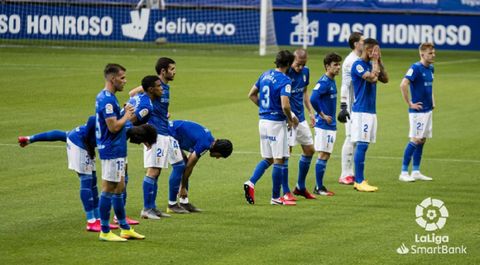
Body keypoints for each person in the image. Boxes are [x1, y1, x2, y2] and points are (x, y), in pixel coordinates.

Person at [130, 58, 186, 219]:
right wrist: (147, 115)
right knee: (152, 171)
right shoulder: (153, 85)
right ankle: (146, 209)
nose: (174, 71)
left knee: (158, 171)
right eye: (172, 69)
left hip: (164, 132)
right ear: (163, 71)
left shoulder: (163, 87)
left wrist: (162, 114)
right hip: (155, 134)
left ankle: (152, 207)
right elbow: (133, 94)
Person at [96, 63, 144, 241]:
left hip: (118, 149)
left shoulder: (110, 97)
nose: (125, 81)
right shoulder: (106, 99)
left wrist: (124, 112)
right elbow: (114, 126)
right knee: (108, 188)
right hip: (111, 150)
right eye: (122, 78)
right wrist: (127, 116)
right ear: (112, 78)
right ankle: (105, 231)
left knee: (120, 187)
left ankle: (124, 227)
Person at [243, 50, 297, 206]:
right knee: (279, 160)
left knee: (268, 158)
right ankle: (275, 197)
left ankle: (251, 182)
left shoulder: (265, 74)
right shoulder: (285, 80)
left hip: (263, 122)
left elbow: (251, 94)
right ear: (288, 64)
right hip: (276, 124)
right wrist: (290, 119)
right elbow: (285, 104)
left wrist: (264, 108)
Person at [167, 120, 233, 213]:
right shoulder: (205, 144)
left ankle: (184, 202)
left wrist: (183, 186)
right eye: (219, 155)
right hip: (168, 133)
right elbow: (190, 166)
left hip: (173, 134)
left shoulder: (209, 140)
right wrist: (182, 187)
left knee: (184, 166)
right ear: (218, 150)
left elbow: (189, 163)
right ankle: (172, 204)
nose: (217, 158)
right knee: (180, 167)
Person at [350, 38, 389, 192]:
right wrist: (374, 61)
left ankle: (360, 178)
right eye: (374, 51)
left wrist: (379, 61)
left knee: (365, 145)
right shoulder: (358, 65)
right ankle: (358, 181)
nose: (376, 54)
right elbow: (373, 78)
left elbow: (385, 79)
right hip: (361, 111)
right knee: (362, 144)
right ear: (368, 50)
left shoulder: (372, 63)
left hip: (370, 111)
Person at [398, 43, 435, 182]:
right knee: (415, 139)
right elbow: (403, 84)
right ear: (422, 54)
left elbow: (430, 87)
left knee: (422, 140)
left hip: (428, 110)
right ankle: (403, 172)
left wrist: (433, 101)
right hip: (417, 112)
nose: (433, 55)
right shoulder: (415, 68)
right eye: (430, 53)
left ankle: (416, 171)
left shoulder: (431, 68)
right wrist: (409, 103)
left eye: (433, 52)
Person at [283, 48, 317, 201]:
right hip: (288, 119)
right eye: (298, 64)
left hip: (301, 119)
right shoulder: (285, 73)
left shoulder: (306, 72)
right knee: (285, 155)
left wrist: (310, 111)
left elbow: (304, 92)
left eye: (304, 64)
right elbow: (281, 98)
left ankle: (300, 187)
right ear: (292, 61)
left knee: (309, 150)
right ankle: (285, 191)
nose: (301, 67)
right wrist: (289, 117)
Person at [309, 52, 342, 196]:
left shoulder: (331, 80)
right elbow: (313, 98)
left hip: (330, 125)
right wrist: (322, 115)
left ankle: (319, 186)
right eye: (335, 65)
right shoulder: (324, 82)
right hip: (324, 125)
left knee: (326, 154)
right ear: (327, 67)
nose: (338, 67)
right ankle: (318, 187)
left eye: (339, 64)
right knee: (323, 154)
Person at [337, 32, 364, 185]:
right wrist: (343, 106)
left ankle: (351, 172)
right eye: (362, 41)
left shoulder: (359, 59)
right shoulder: (350, 61)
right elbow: (345, 85)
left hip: (360, 106)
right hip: (352, 107)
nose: (364, 43)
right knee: (350, 138)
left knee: (356, 139)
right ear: (355, 44)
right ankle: (344, 174)